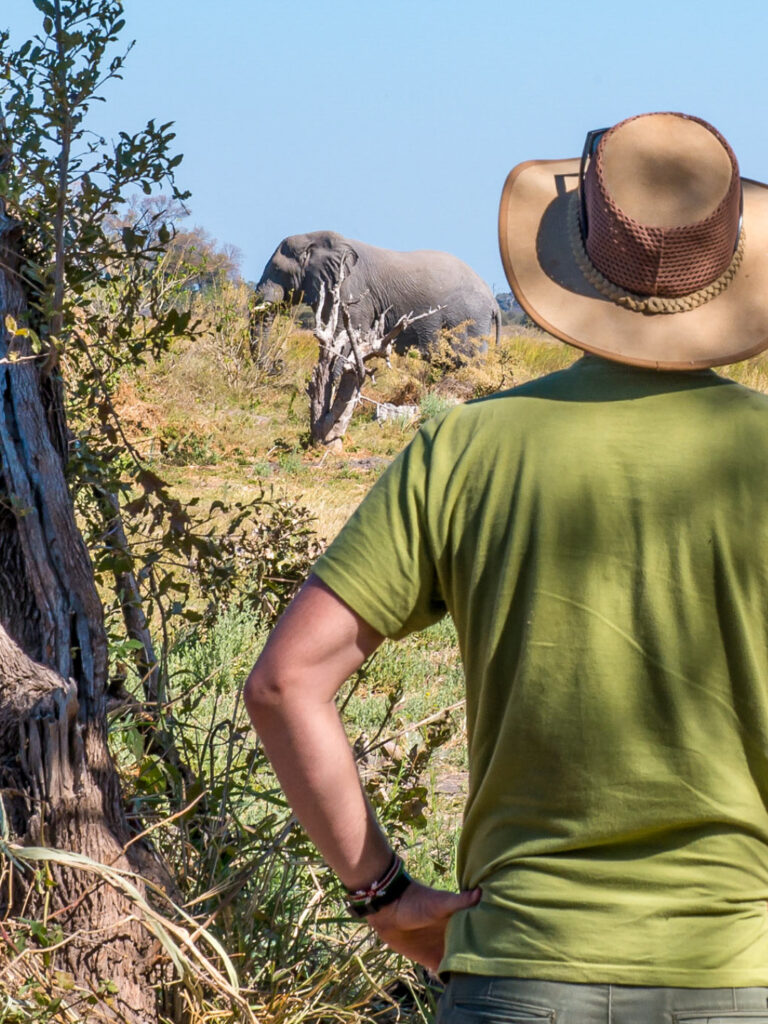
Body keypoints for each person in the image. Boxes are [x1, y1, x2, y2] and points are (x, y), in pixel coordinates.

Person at [244, 112, 768, 1021]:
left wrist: (384, 895)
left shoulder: (463, 447)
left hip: (516, 970)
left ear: (575, 260)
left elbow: (287, 685)